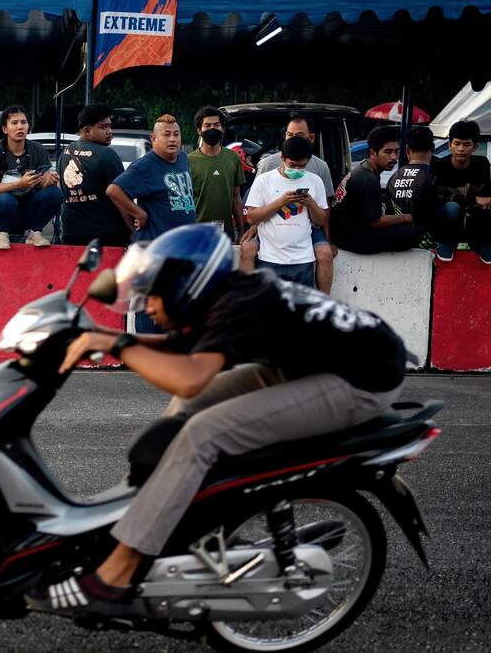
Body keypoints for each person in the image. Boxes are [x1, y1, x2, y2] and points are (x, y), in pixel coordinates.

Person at [28, 223, 406, 616]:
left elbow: (189, 376)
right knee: (191, 407)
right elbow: (178, 348)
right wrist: (99, 336)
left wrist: (118, 344)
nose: (147, 308)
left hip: (361, 379)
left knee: (203, 433)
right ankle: (147, 513)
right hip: (311, 366)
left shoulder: (240, 303)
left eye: (153, 297)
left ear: (184, 287)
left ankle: (115, 578)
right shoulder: (225, 296)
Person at [107, 114, 196, 333]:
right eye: (166, 135)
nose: (172, 139)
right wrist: (139, 214)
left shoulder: (182, 159)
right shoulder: (144, 166)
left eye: (176, 134)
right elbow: (114, 190)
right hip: (153, 249)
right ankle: (145, 348)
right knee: (149, 305)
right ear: (153, 139)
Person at [244, 116, 337, 292]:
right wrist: (281, 202)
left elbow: (321, 220)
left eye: (302, 166)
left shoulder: (315, 180)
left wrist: (310, 204)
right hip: (271, 260)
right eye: (292, 165)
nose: (296, 170)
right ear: (282, 157)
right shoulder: (265, 179)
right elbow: (251, 217)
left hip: (303, 260)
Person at [332, 126, 425, 254]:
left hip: (347, 232)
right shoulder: (368, 179)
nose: (394, 157)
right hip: (351, 238)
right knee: (415, 232)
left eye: (396, 151)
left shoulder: (363, 169)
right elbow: (376, 222)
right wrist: (406, 218)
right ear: (372, 153)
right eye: (388, 152)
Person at [0, 105, 61, 250]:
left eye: (23, 122)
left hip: (27, 210)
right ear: (5, 129)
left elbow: (43, 181)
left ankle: (35, 232)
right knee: (6, 200)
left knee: (55, 194)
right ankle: (1, 233)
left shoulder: (38, 149)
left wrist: (49, 180)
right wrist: (21, 183)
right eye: (14, 123)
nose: (20, 127)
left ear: (28, 126)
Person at [58, 104, 129, 247]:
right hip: (106, 234)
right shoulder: (107, 154)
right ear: (87, 131)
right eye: (103, 127)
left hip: (71, 232)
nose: (109, 131)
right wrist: (131, 227)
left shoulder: (65, 152)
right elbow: (121, 197)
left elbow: (61, 189)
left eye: (110, 126)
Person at [430, 120, 491, 262]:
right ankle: (445, 243)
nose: (461, 149)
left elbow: (485, 196)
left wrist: (482, 200)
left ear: (475, 147)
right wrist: (474, 199)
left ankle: (483, 245)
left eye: (466, 144)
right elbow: (437, 198)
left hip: (474, 218)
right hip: (447, 221)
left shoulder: (481, 164)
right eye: (457, 143)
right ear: (449, 145)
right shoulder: (440, 166)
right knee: (452, 208)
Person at [187, 106, 245, 239]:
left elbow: (236, 197)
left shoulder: (233, 158)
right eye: (207, 125)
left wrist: (241, 230)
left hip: (225, 234)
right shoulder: (188, 161)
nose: (212, 129)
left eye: (216, 125)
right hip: (196, 233)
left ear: (223, 129)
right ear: (199, 130)